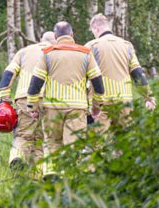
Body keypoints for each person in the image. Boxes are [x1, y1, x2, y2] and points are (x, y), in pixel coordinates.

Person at [26, 22, 105, 177]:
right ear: (72, 34)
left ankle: (51, 173)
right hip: (77, 108)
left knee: (52, 142)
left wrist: (32, 107)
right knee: (74, 145)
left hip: (52, 108)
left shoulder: (47, 53)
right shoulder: (86, 53)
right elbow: (98, 83)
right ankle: (70, 179)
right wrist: (97, 105)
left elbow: (35, 83)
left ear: (55, 37)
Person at [0, 31, 56, 170]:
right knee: (41, 138)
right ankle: (38, 172)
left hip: (25, 98)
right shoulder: (57, 52)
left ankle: (17, 157)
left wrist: (5, 101)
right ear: (57, 40)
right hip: (49, 99)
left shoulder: (24, 52)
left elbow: (8, 75)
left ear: (40, 39)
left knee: (24, 134)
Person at [86, 14, 155, 131]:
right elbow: (137, 74)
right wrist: (148, 98)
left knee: (96, 144)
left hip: (101, 103)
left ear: (96, 29)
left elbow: (84, 77)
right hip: (124, 102)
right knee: (124, 144)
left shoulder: (91, 46)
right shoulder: (127, 46)